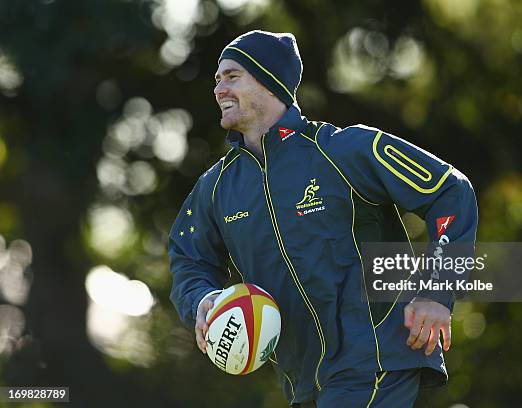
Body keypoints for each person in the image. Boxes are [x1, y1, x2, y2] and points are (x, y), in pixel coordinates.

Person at [168, 30, 478, 407]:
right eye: (217, 80)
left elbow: (451, 191)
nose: (219, 89)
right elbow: (188, 256)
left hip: (376, 361)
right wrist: (201, 299)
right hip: (305, 386)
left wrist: (437, 292)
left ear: (269, 82)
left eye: (232, 77)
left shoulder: (344, 150)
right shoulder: (215, 187)